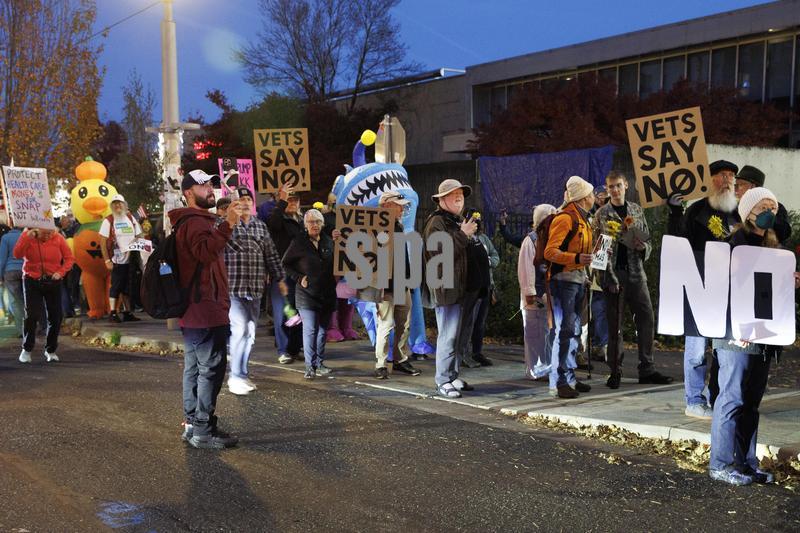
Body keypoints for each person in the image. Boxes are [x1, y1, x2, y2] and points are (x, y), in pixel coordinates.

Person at [709, 187, 790, 486]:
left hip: (763, 336)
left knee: (751, 402)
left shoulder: (772, 246)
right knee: (731, 398)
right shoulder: (731, 245)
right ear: (748, 211)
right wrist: (735, 326)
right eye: (764, 204)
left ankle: (745, 463)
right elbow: (720, 290)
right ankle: (720, 463)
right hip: (736, 335)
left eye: (774, 205)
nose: (771, 209)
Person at [170, 169, 241, 450]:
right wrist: (227, 225)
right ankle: (202, 429)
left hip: (197, 308)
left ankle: (192, 424)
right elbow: (204, 253)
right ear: (189, 192)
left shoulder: (194, 221)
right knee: (210, 368)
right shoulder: (195, 222)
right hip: (205, 306)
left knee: (195, 368)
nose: (210, 188)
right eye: (203, 185)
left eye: (211, 183)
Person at [668, 160, 740, 420]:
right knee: (697, 349)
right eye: (723, 175)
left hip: (728, 292)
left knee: (723, 350)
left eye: (732, 176)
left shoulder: (739, 213)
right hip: (699, 288)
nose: (728, 180)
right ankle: (694, 400)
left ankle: (716, 398)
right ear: (710, 180)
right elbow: (678, 241)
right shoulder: (697, 210)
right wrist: (675, 212)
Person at [592, 171, 673, 389]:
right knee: (615, 325)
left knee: (646, 318)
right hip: (614, 275)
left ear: (626, 185)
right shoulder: (602, 214)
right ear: (607, 190)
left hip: (637, 273)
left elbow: (647, 239)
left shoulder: (636, 210)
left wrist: (643, 247)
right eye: (611, 187)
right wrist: (605, 278)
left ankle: (647, 368)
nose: (615, 190)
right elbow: (598, 250)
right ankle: (615, 371)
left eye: (618, 185)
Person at [223, 187, 287, 396]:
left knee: (250, 333)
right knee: (240, 328)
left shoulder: (260, 227)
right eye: (241, 199)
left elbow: (271, 255)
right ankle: (235, 376)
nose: (245, 202)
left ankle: (242, 372)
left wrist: (280, 278)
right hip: (233, 288)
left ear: (253, 203)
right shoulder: (227, 225)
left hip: (255, 288)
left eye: (248, 199)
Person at [422, 179, 477, 399]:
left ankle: (452, 375)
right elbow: (440, 256)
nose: (459, 198)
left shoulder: (452, 221)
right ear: (441, 199)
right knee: (448, 336)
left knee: (458, 336)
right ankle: (443, 380)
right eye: (453, 195)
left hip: (459, 289)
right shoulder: (436, 222)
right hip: (446, 290)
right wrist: (464, 234)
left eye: (461, 195)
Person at [361, 191, 421, 379]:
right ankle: (381, 363)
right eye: (399, 205)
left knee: (404, 324)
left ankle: (399, 359)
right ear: (386, 206)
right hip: (384, 286)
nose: (402, 208)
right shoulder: (374, 226)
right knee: (386, 324)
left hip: (402, 282)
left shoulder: (398, 225)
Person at [544, 176, 595, 399]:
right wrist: (577, 257)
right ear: (584, 198)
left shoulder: (582, 218)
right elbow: (550, 252)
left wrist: (597, 255)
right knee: (565, 332)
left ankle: (569, 377)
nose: (594, 197)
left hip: (576, 280)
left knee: (572, 331)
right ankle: (559, 380)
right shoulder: (566, 218)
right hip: (565, 282)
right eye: (592, 194)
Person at [281, 209, 338, 379]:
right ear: (305, 225)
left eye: (317, 221)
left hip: (327, 293)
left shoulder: (329, 241)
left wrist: (340, 242)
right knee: (310, 330)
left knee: (322, 331)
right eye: (311, 222)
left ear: (323, 224)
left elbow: (340, 261)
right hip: (306, 295)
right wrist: (299, 278)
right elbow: (285, 264)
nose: (314, 225)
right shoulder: (298, 242)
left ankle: (319, 363)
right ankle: (309, 367)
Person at [14, 227, 75, 363]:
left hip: (53, 280)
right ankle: (27, 349)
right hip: (31, 280)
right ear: (37, 229)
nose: (48, 236)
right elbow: (17, 254)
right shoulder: (28, 236)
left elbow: (69, 258)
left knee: (56, 316)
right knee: (31, 315)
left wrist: (61, 272)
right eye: (45, 233)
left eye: (50, 232)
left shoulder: (58, 238)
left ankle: (50, 350)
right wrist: (26, 237)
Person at [268, 185, 304, 364]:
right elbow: (272, 222)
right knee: (283, 313)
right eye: (289, 200)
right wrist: (281, 200)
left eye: (295, 200)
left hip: (301, 275)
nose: (292, 203)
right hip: (281, 274)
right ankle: (283, 350)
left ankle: (294, 348)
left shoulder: (304, 221)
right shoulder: (278, 220)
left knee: (299, 314)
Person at [519, 204, 556, 380]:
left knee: (546, 334)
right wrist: (530, 295)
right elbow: (526, 270)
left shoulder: (549, 239)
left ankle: (545, 367)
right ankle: (535, 369)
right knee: (535, 334)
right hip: (536, 296)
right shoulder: (531, 240)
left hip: (547, 294)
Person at [462, 207, 499, 367]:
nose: (475, 223)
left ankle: (477, 352)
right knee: (467, 322)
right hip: (471, 288)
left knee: (480, 322)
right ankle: (463, 354)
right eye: (472, 220)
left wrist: (487, 263)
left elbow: (495, 256)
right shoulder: (463, 238)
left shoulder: (483, 238)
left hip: (486, 286)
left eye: (477, 220)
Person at [99, 194, 143, 323]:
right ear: (112, 206)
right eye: (115, 204)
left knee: (128, 286)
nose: (118, 206)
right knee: (116, 286)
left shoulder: (130, 218)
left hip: (131, 258)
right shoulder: (109, 220)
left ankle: (127, 312)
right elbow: (102, 242)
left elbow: (139, 233)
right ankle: (113, 312)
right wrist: (107, 260)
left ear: (125, 205)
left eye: (120, 203)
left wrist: (139, 240)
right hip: (117, 259)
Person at [733, 165, 791, 244]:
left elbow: (785, 233)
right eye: (736, 185)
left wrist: (767, 215)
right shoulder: (733, 208)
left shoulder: (777, 207)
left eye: (741, 184)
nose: (736, 189)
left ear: (753, 187)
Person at [0, 226, 24, 337]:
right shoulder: (25, 236)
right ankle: (34, 325)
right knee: (28, 300)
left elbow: (2, 258)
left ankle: (22, 330)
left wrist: (0, 275)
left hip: (10, 272)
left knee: (15, 301)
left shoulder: (6, 238)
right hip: (26, 270)